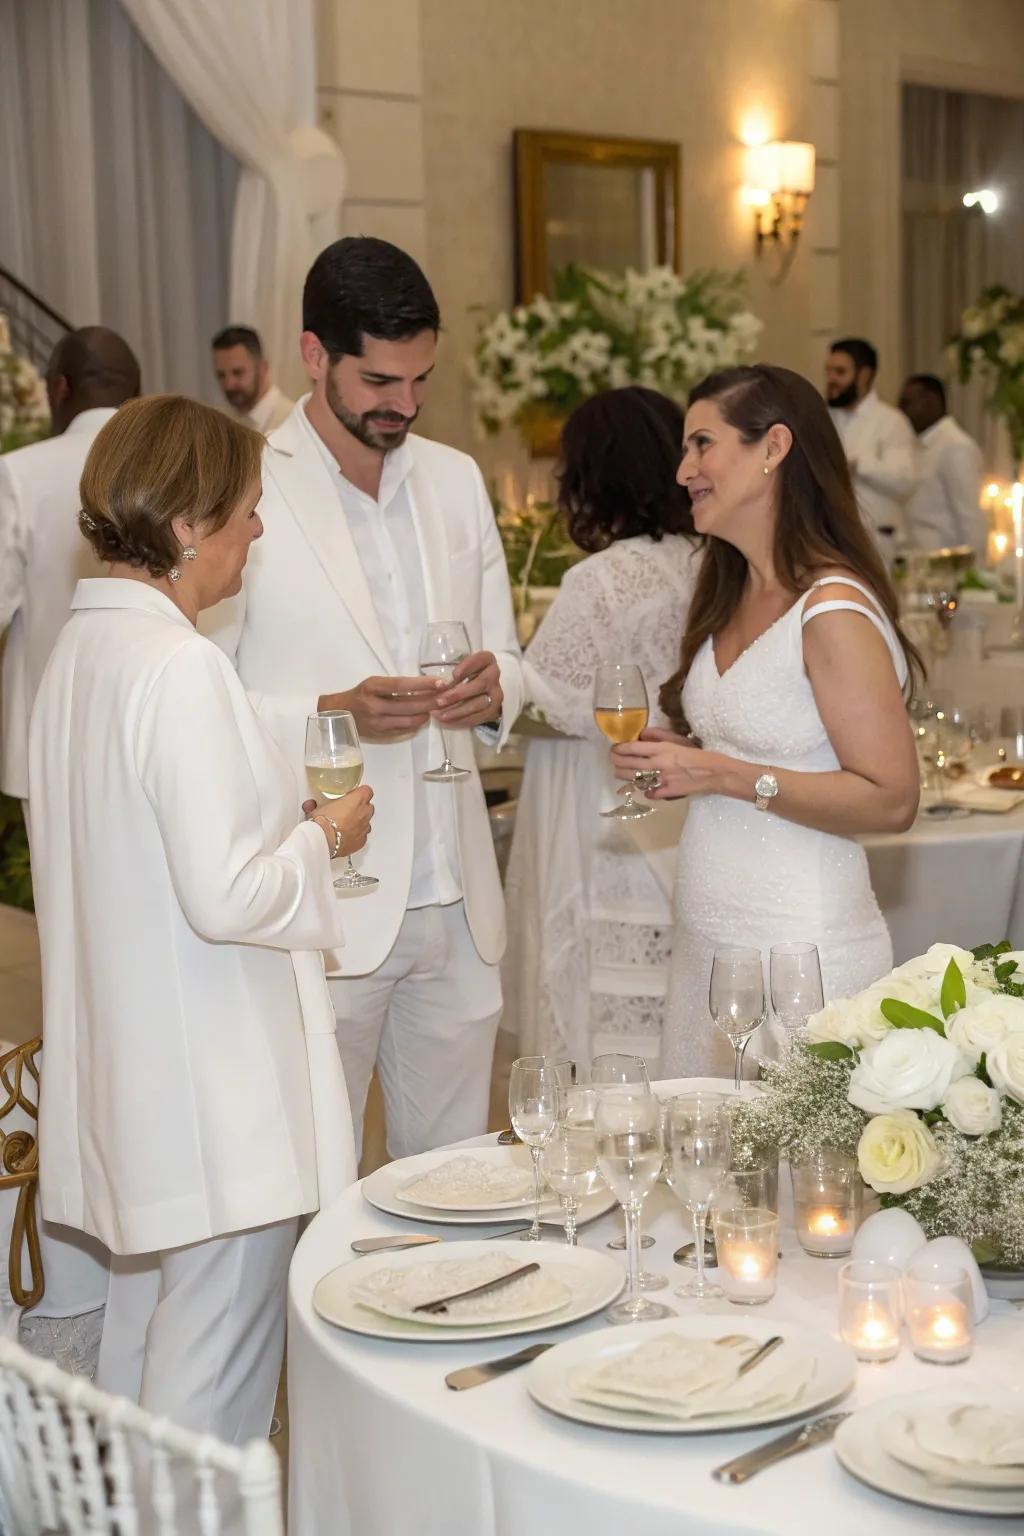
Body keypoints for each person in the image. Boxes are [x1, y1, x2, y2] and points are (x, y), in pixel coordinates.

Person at [29, 395, 372, 1441]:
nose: (256, 533)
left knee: (143, 1350)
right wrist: (325, 837)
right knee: (210, 1383)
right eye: (249, 512)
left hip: (136, 1067)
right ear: (187, 525)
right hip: (218, 1088)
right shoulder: (178, 667)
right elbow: (228, 894)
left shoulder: (77, 657)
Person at [202, 237, 523, 1161]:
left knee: (455, 1180)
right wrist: (332, 705)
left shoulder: (457, 479)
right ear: (314, 356)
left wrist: (497, 683)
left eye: (421, 378)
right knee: (316, 1184)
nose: (407, 404)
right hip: (330, 897)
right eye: (382, 380)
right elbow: (211, 695)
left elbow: (499, 646)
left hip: (460, 897)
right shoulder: (246, 481)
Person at [611, 364, 922, 1076]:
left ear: (774, 447)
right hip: (710, 946)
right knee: (707, 1176)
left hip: (800, 951)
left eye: (702, 444)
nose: (684, 469)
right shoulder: (729, 588)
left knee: (794, 1186)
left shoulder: (832, 611)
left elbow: (892, 797)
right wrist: (685, 754)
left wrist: (717, 771)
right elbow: (768, 744)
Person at [502, 388, 701, 1070]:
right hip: (687, 799)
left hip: (601, 801)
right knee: (671, 998)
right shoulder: (711, 561)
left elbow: (545, 699)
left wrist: (493, 689)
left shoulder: (602, 578)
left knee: (599, 1005)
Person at [0, 327, 140, 807]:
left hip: (48, 745)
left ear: (60, 388)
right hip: (152, 730)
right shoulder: (170, 473)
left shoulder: (17, 474)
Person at [825, 337, 918, 561]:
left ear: (864, 375)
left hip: (878, 542)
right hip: (832, 538)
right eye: (828, 371)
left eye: (840, 372)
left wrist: (859, 464)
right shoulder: (825, 418)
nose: (831, 379)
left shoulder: (891, 421)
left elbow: (905, 480)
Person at [898, 373, 986, 553]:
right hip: (918, 559)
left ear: (931, 401)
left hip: (946, 563)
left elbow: (971, 518)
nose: (900, 411)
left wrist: (973, 574)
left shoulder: (955, 446)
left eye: (907, 403)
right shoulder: (918, 444)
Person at [211, 324, 293, 433]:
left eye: (238, 373)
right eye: (221, 375)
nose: (229, 384)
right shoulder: (219, 423)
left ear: (263, 368)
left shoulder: (293, 421)